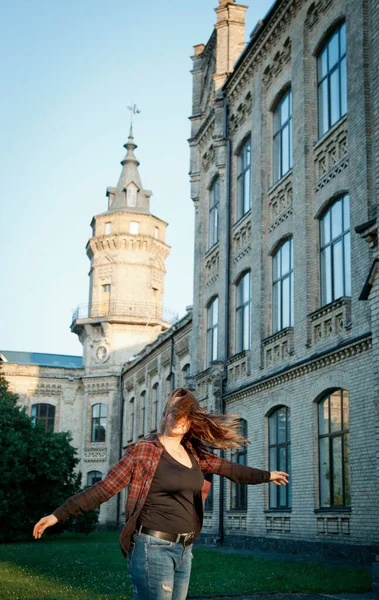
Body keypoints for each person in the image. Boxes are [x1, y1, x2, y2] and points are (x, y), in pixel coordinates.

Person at [33, 387, 289, 600]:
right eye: (174, 414)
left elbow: (230, 469)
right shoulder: (144, 450)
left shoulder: (194, 453)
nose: (179, 420)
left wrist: (267, 475)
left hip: (184, 550)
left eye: (185, 416)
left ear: (191, 422)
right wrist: (58, 515)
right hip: (152, 548)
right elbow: (105, 487)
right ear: (165, 416)